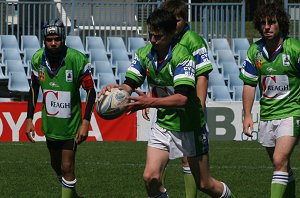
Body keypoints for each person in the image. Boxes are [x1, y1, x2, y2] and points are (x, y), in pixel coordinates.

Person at [99, 9, 234, 198]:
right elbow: (130, 84)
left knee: (205, 184)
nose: (153, 40)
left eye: (158, 36)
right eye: (151, 35)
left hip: (190, 126)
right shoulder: (143, 54)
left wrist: (149, 102)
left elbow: (182, 99)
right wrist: (117, 91)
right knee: (150, 177)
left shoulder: (183, 57)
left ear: (171, 34)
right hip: (163, 125)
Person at [25, 18, 96, 198]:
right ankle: (72, 193)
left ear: (63, 38)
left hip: (71, 126)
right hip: (50, 125)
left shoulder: (76, 59)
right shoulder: (37, 58)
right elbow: (33, 89)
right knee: (56, 165)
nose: (53, 43)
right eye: (49, 40)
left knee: (67, 166)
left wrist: (86, 121)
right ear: (44, 40)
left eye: (57, 39)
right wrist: (29, 118)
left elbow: (90, 92)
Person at [240, 3, 299, 198]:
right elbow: (249, 84)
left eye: (271, 23)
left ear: (280, 24)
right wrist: (247, 115)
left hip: (292, 113)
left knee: (279, 159)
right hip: (267, 116)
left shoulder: (294, 49)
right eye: (263, 23)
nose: (267, 27)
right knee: (282, 165)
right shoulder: (254, 52)